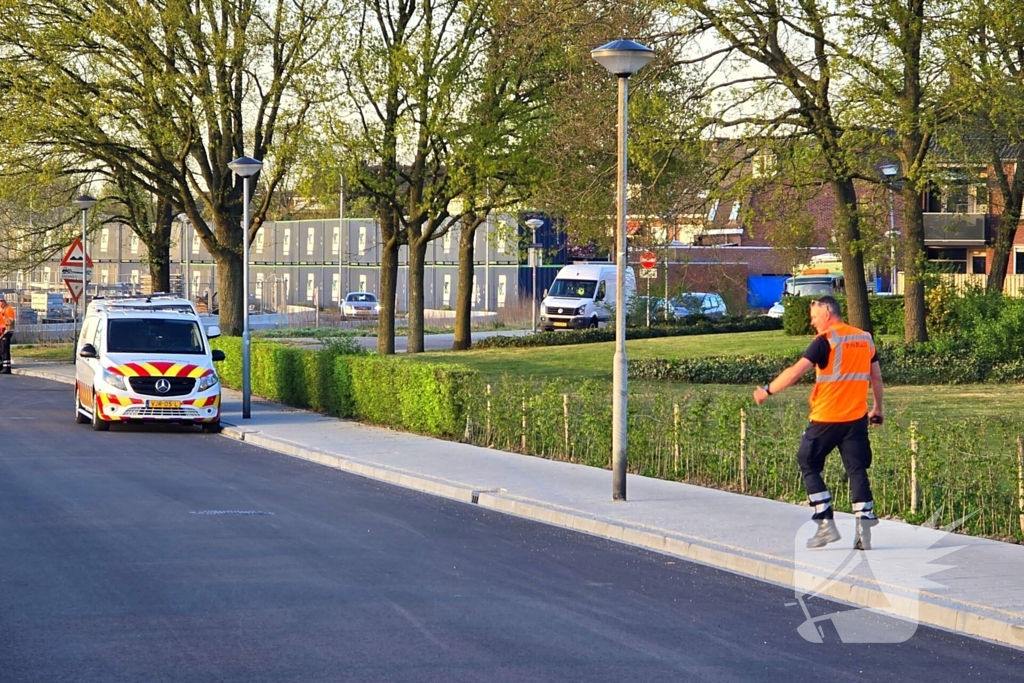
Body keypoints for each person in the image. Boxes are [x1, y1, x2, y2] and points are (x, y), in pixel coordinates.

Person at [753, 296, 883, 550]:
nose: (812, 323)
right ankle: (864, 526)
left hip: (826, 418)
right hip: (856, 419)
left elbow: (795, 372)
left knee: (808, 461)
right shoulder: (864, 338)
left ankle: (825, 522)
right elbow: (875, 377)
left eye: (813, 317)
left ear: (827, 313)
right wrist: (877, 408)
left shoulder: (825, 341)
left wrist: (767, 391)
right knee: (856, 470)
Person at [0, 294, 15, 374]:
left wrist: (3, 331)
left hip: (6, 332)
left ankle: (6, 368)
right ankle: (3, 366)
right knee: (2, 349)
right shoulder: (3, 310)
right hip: (2, 332)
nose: (0, 303)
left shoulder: (8, 310)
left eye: (2, 301)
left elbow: (9, 322)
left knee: (4, 349)